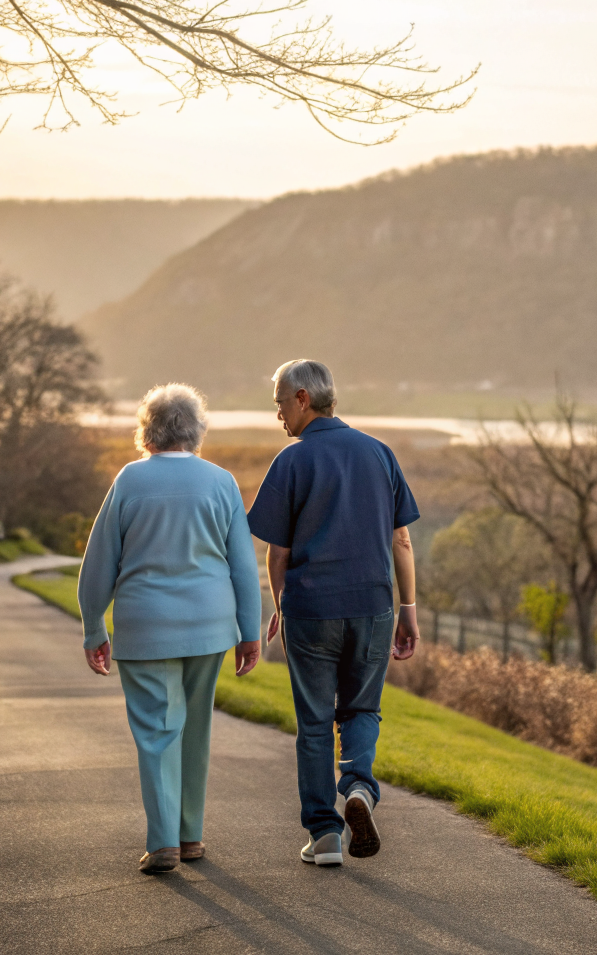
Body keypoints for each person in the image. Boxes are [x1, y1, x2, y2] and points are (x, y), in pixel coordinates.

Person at [78, 382, 262, 875]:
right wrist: (249, 632)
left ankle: (163, 843)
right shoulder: (221, 482)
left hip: (146, 626)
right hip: (209, 626)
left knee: (160, 730)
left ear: (148, 432)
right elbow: (244, 566)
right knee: (195, 727)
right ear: (195, 431)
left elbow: (99, 563)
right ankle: (190, 835)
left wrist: (93, 625)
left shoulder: (130, 481)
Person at [247, 359, 420, 867]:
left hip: (312, 612)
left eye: (279, 403)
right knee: (362, 709)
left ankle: (324, 835)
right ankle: (360, 788)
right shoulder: (379, 453)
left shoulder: (292, 461)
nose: (278, 415)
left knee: (316, 722)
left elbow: (277, 553)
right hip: (372, 608)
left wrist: (281, 607)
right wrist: (407, 610)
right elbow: (402, 539)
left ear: (302, 398)